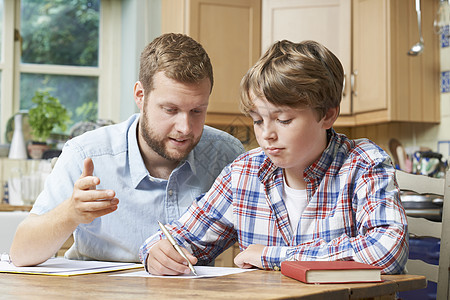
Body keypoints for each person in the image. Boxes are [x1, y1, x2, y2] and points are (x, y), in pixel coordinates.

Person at [140, 40, 408, 276]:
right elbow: (179, 238)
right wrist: (157, 254)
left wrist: (273, 256)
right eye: (258, 120)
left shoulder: (364, 164)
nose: (266, 134)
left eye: (283, 120)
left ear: (327, 115)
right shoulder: (245, 172)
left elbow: (387, 249)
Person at [10, 33, 245, 266]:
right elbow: (21, 254)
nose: (185, 128)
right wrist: (70, 213)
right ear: (140, 96)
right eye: (170, 110)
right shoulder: (85, 154)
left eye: (197, 111)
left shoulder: (226, 156)